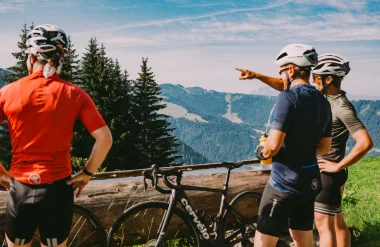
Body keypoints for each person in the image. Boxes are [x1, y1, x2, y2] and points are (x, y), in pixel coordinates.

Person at [237, 53, 373, 247]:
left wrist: (336, 166)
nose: (313, 81)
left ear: (328, 79)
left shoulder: (339, 106)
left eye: (317, 78)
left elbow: (365, 142)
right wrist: (258, 76)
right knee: (333, 223)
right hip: (319, 175)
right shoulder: (324, 101)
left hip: (316, 174)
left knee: (323, 227)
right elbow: (292, 87)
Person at [0, 24, 113, 247]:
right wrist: (87, 173)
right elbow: (105, 139)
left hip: (20, 188)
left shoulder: (7, 92)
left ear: (31, 57)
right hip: (58, 190)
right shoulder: (75, 94)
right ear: (60, 58)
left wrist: (0, 173)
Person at [253, 44, 332, 247]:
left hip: (284, 184)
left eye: (281, 71)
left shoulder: (288, 97)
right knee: (303, 238)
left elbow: (272, 147)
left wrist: (261, 151)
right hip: (310, 182)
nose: (280, 77)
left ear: (291, 69)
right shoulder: (323, 103)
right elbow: (324, 148)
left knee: (263, 241)